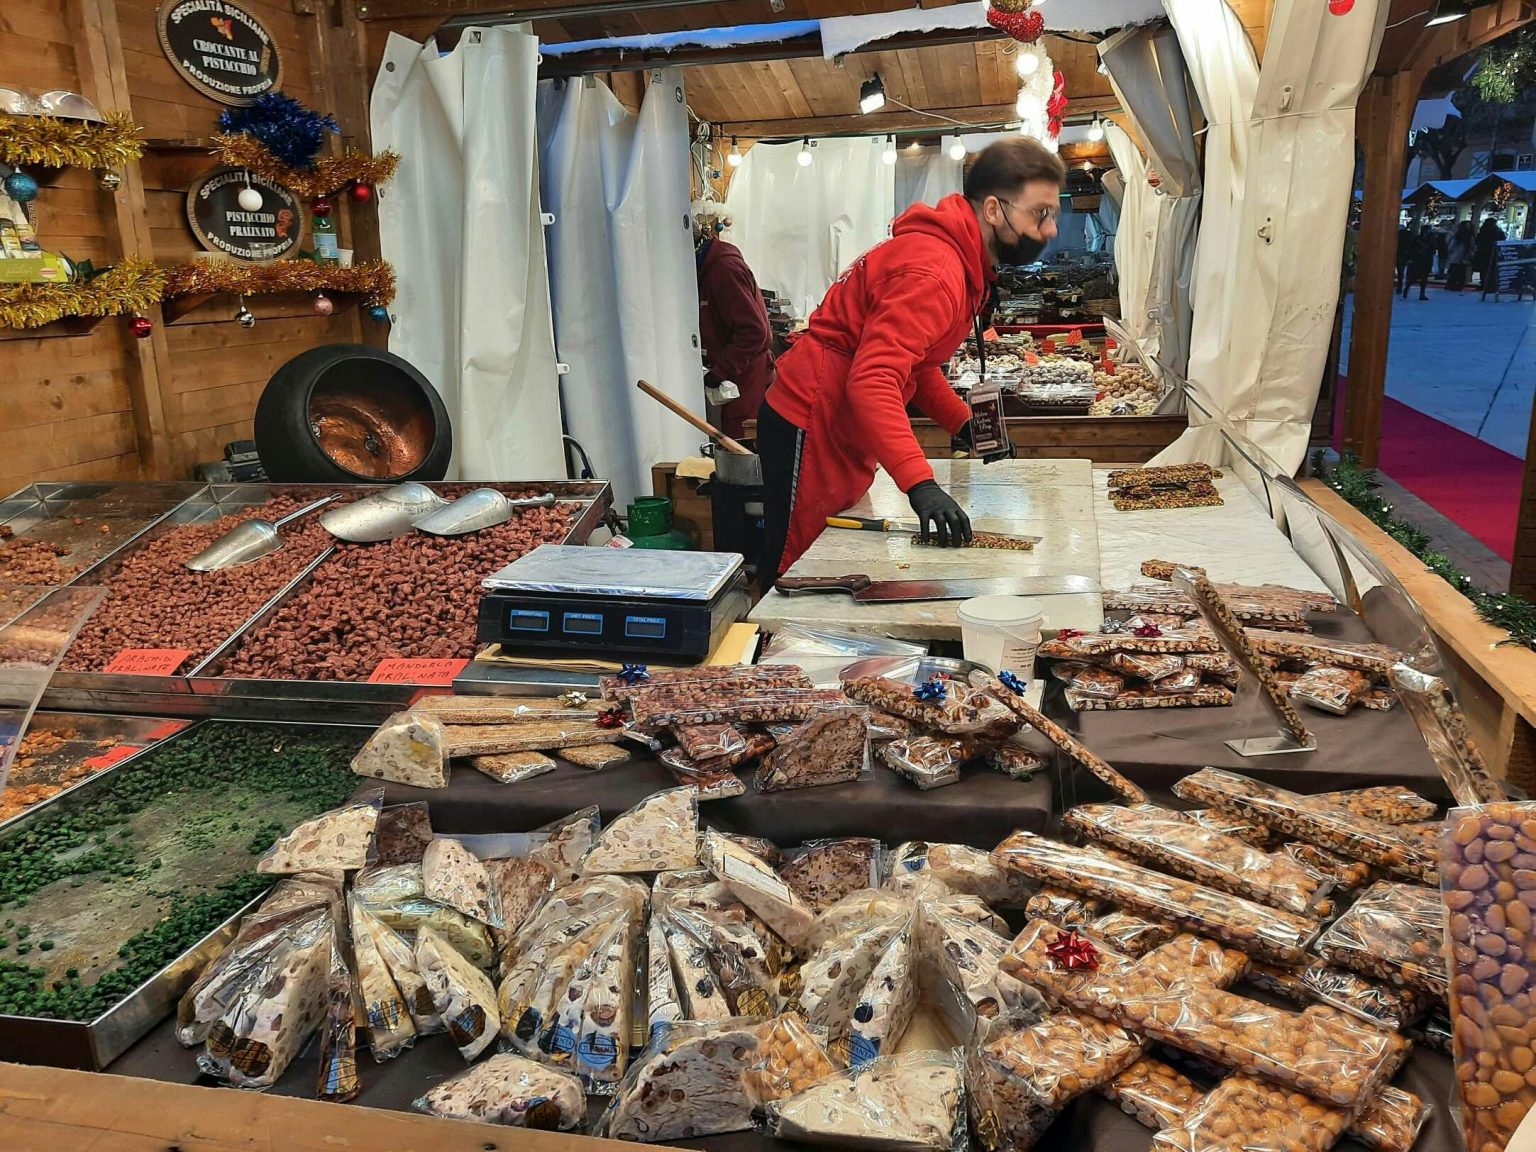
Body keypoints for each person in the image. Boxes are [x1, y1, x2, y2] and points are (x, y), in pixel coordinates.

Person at [755, 136, 1065, 579]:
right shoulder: (935, 271)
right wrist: (919, 483)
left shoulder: (955, 261)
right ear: (994, 211)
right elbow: (874, 380)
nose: (1050, 231)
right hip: (811, 414)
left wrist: (964, 424)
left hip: (836, 415)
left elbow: (917, 365)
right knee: (801, 561)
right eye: (1040, 214)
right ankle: (776, 623)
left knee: (833, 547)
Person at [693, 202, 774, 439]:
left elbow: (754, 331)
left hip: (748, 376)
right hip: (739, 375)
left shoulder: (723, 271)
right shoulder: (710, 270)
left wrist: (722, 369)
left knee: (742, 444)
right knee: (734, 438)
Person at [1478, 217, 1507, 302]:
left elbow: (1478, 240)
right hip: (1493, 252)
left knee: (1483, 269)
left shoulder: (1483, 230)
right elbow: (1502, 239)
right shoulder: (1498, 231)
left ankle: (1483, 284)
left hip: (1483, 252)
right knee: (1492, 270)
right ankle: (1490, 286)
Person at [1402, 224, 1434, 300]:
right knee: (1414, 277)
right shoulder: (1419, 239)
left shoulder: (1427, 239)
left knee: (1423, 278)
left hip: (1425, 261)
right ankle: (1407, 289)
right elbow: (1412, 249)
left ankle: (1421, 293)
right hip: (1419, 260)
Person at [1446, 220, 1475, 292]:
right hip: (1464, 257)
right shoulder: (1470, 237)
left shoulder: (1457, 236)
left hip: (1455, 256)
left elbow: (1450, 247)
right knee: (1462, 273)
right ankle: (1459, 286)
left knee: (1453, 272)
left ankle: (1451, 285)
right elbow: (1472, 247)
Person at [1396, 226, 1415, 295]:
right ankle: (1401, 286)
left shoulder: (1398, 236)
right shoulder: (1408, 235)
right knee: (1402, 272)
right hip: (1404, 255)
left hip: (1399, 254)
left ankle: (1400, 286)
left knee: (1400, 271)